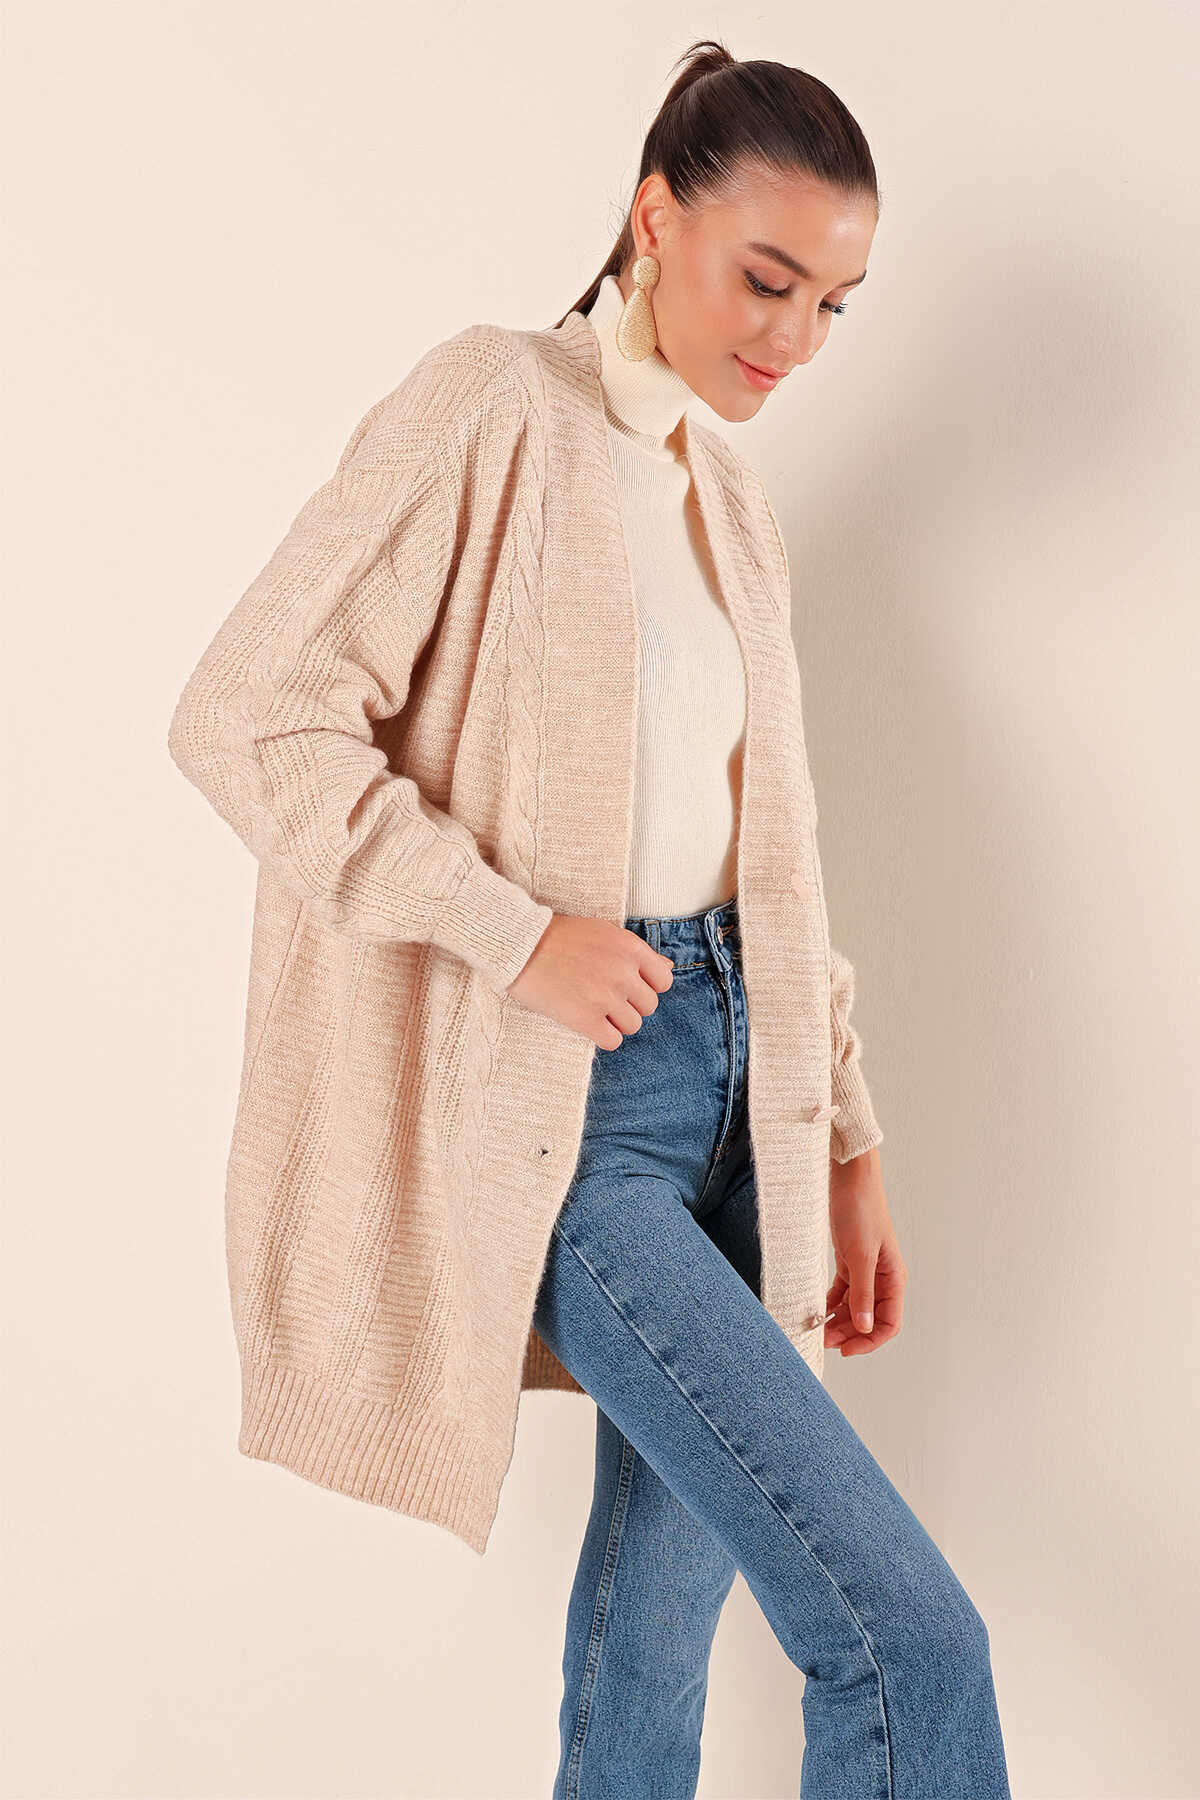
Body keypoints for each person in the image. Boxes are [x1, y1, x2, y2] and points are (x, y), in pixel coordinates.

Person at [168, 36, 1012, 1800]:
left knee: (650, 1659)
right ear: (654, 218)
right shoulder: (495, 407)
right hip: (578, 1112)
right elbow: (250, 714)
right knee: (904, 1639)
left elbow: (771, 854)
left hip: (747, 1095)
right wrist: (514, 935)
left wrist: (845, 1133)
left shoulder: (732, 502)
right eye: (766, 279)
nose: (795, 339)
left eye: (834, 304)